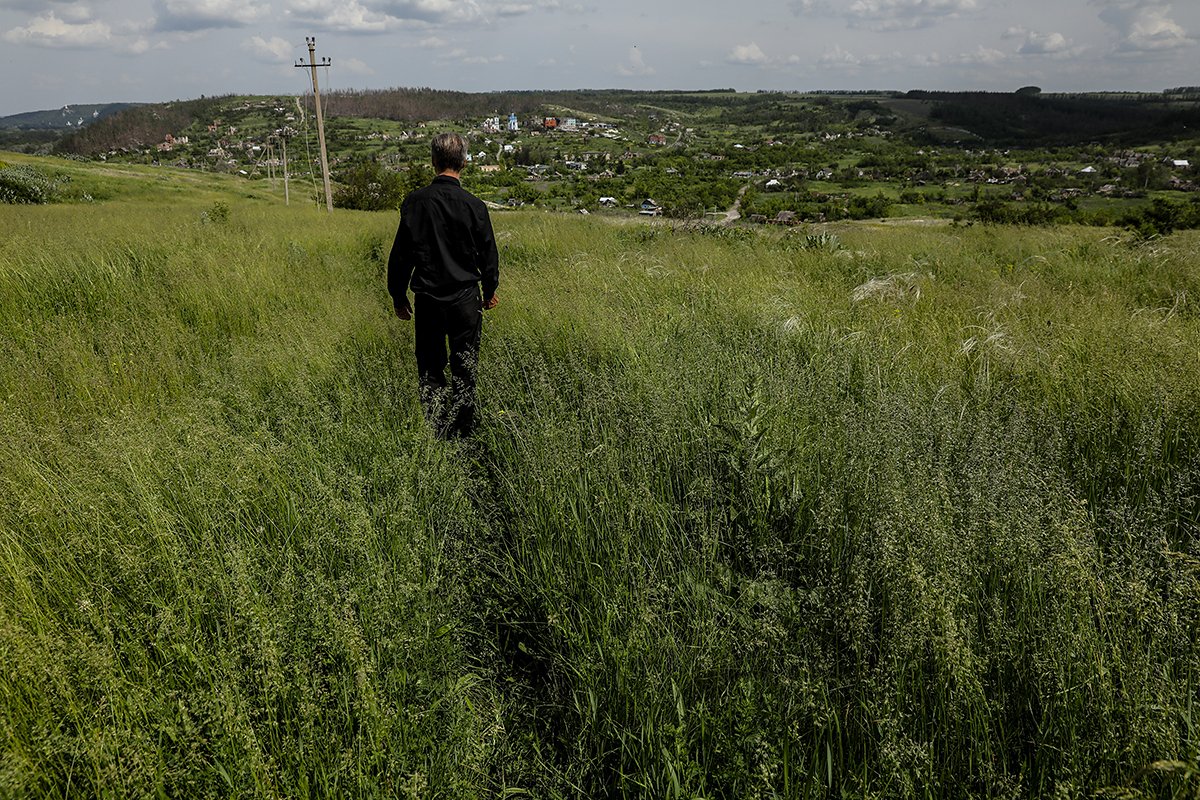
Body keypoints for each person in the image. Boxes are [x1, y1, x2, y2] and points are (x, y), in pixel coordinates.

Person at [388, 132, 500, 439]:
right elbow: (489, 253)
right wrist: (489, 292)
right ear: (464, 162)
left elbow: (400, 256)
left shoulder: (415, 203)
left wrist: (398, 296)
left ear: (433, 161)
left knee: (430, 369)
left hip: (428, 301)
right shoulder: (474, 206)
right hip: (466, 300)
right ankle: (463, 433)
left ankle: (436, 432)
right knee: (465, 366)